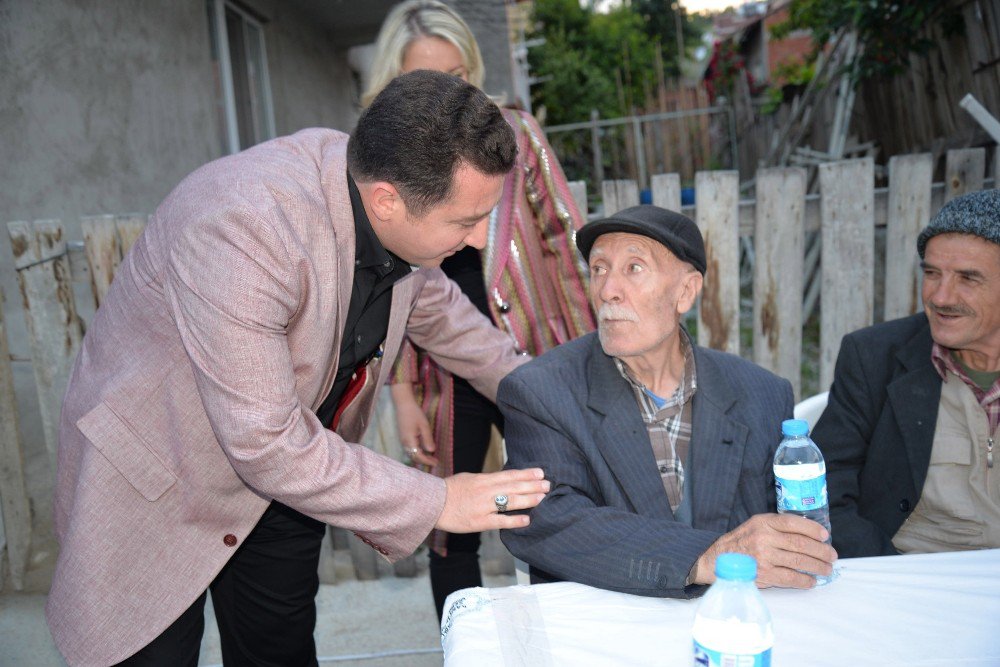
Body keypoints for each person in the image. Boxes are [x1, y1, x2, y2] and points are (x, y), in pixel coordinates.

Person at [46, 70, 551, 667]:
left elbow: (452, 325)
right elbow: (265, 443)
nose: (474, 243)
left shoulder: (386, 196)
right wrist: (439, 501)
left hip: (291, 485)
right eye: (465, 222)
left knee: (279, 653)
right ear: (387, 200)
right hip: (158, 481)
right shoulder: (244, 226)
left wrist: (554, 402)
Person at [362, 0, 597, 617]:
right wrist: (405, 394)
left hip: (534, 357)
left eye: (458, 77)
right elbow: (393, 292)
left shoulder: (513, 135)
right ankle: (462, 643)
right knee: (451, 527)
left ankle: (564, 637)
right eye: (427, 81)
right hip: (446, 373)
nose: (448, 95)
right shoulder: (385, 167)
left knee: (555, 508)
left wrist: (588, 352)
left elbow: (563, 241)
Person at [499, 205, 838, 597]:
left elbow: (789, 528)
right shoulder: (542, 392)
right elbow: (548, 521)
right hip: (609, 625)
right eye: (599, 269)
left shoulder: (760, 393)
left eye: (634, 267)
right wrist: (703, 556)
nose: (608, 290)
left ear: (686, 292)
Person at [813, 188, 1000, 558]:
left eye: (968, 278)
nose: (941, 297)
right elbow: (824, 489)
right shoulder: (873, 358)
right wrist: (887, 574)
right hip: (909, 573)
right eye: (932, 273)